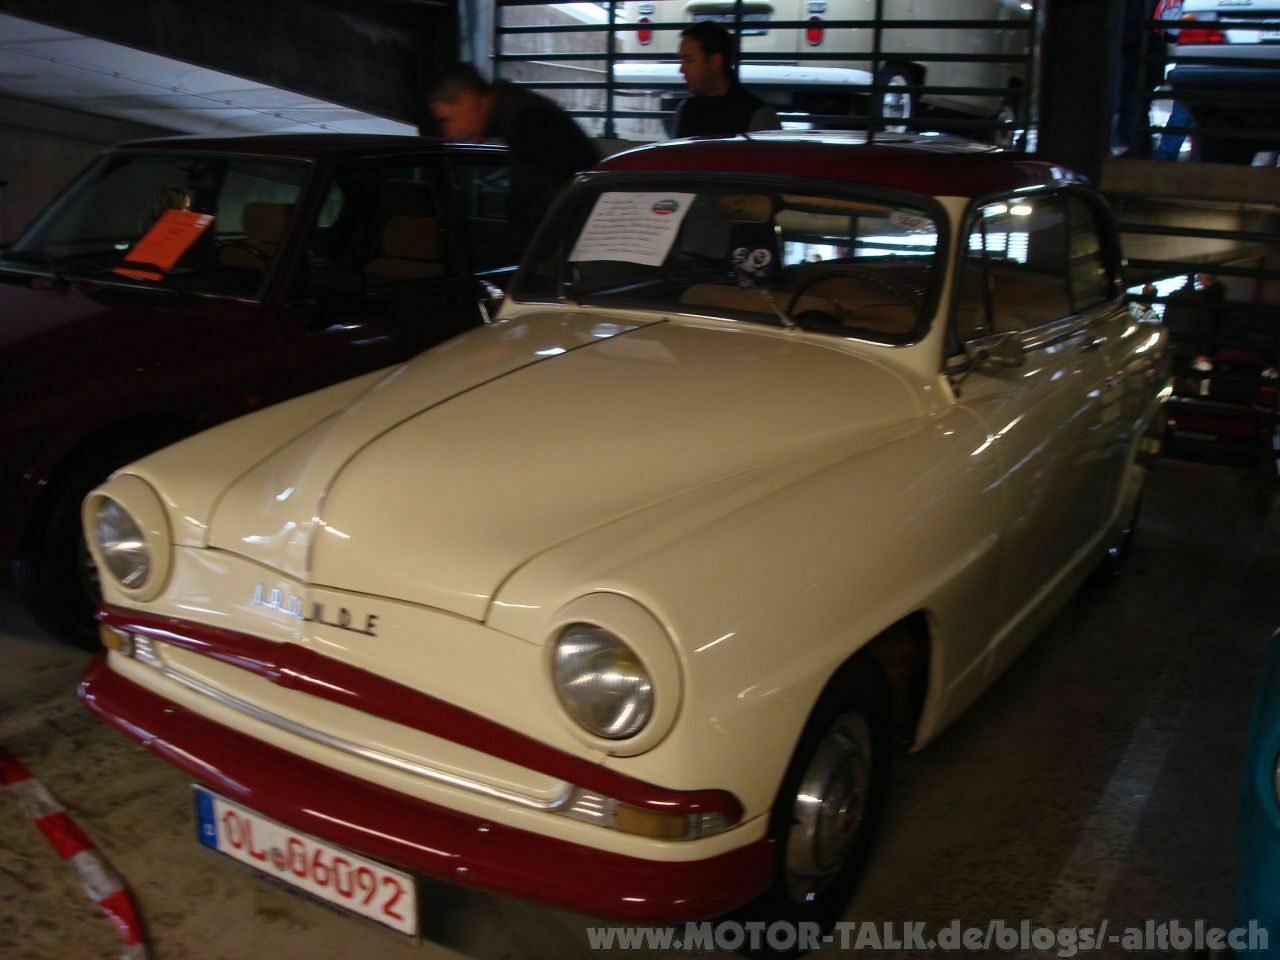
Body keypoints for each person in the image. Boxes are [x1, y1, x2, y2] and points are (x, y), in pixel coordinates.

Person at [427, 63, 600, 241]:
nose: (448, 133)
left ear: (467, 99)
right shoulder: (523, 115)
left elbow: (552, 211)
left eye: (446, 119)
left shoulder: (529, 122)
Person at [672, 21, 779, 139]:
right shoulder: (686, 110)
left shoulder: (758, 116)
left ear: (715, 61)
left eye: (689, 61)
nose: (681, 70)